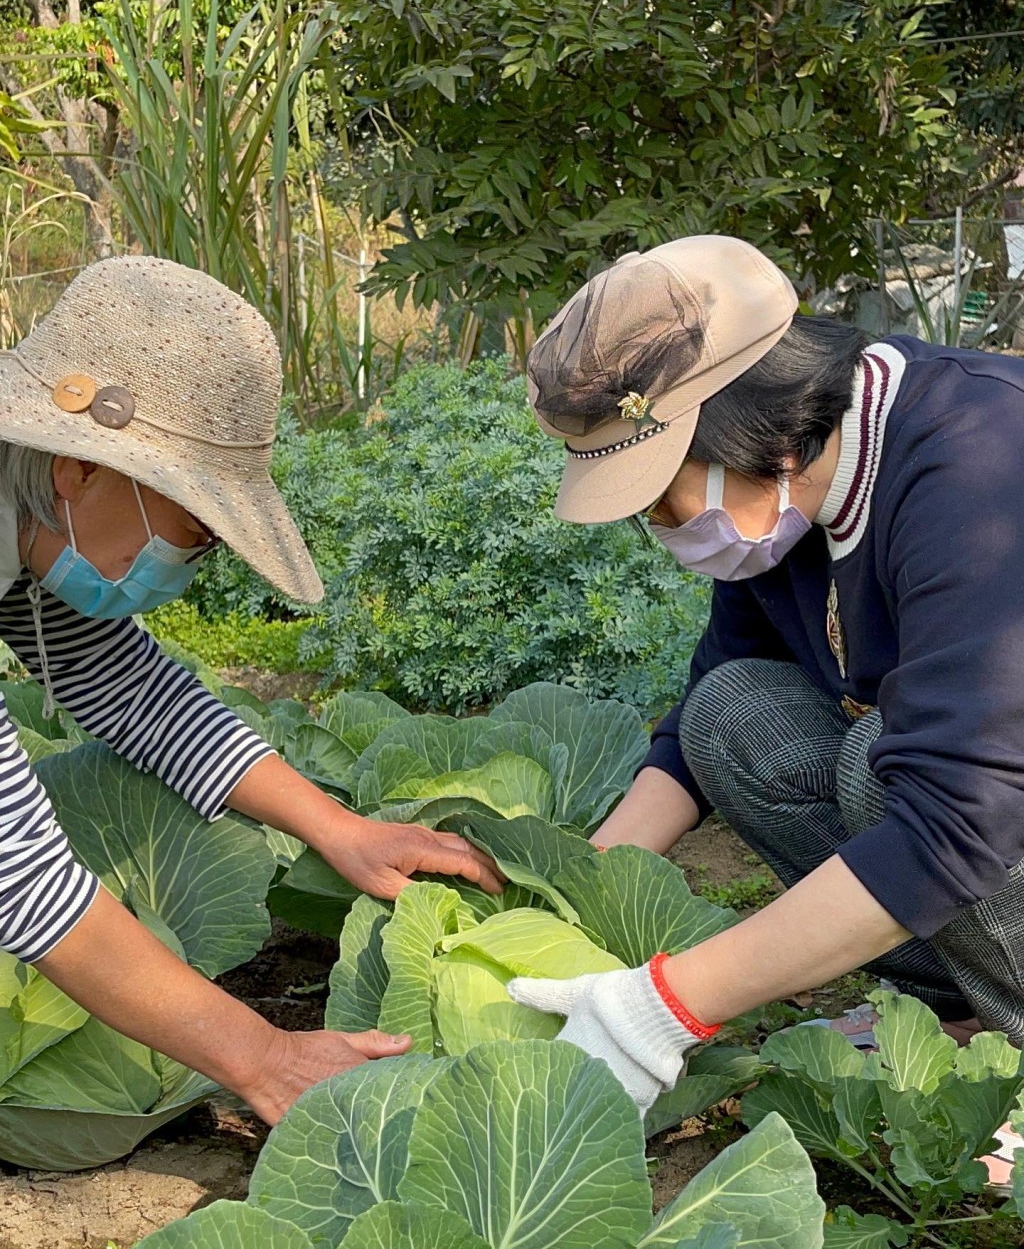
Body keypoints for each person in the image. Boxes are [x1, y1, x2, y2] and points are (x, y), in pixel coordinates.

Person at [510, 234, 1024, 1183]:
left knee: (888, 768)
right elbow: (718, 689)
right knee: (733, 716)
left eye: (659, 500)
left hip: (985, 806)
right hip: (979, 820)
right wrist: (575, 889)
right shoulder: (791, 493)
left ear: (764, 435)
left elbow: (961, 815)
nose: (660, 530)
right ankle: (966, 1012)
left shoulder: (984, 464)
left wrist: (667, 1004)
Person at [0, 255, 502, 1126]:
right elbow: (19, 871)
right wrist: (264, 1057)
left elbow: (132, 692)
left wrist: (339, 829)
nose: (186, 566)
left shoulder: (36, 512)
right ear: (79, 472)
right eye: (192, 529)